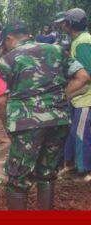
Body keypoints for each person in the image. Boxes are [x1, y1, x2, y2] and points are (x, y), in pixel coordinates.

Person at [0, 21, 85, 210]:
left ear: (9, 39)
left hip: (26, 123)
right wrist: (60, 99)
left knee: (18, 178)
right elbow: (83, 77)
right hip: (59, 120)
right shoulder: (57, 50)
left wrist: (8, 128)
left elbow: (1, 101)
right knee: (47, 172)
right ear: (28, 35)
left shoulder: (7, 60)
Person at [60, 8, 91, 179]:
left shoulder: (82, 42)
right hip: (79, 96)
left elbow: (88, 72)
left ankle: (85, 168)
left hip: (85, 97)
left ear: (70, 24)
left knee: (81, 132)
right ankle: (71, 163)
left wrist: (69, 91)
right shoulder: (79, 40)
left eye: (64, 22)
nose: (63, 25)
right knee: (73, 131)